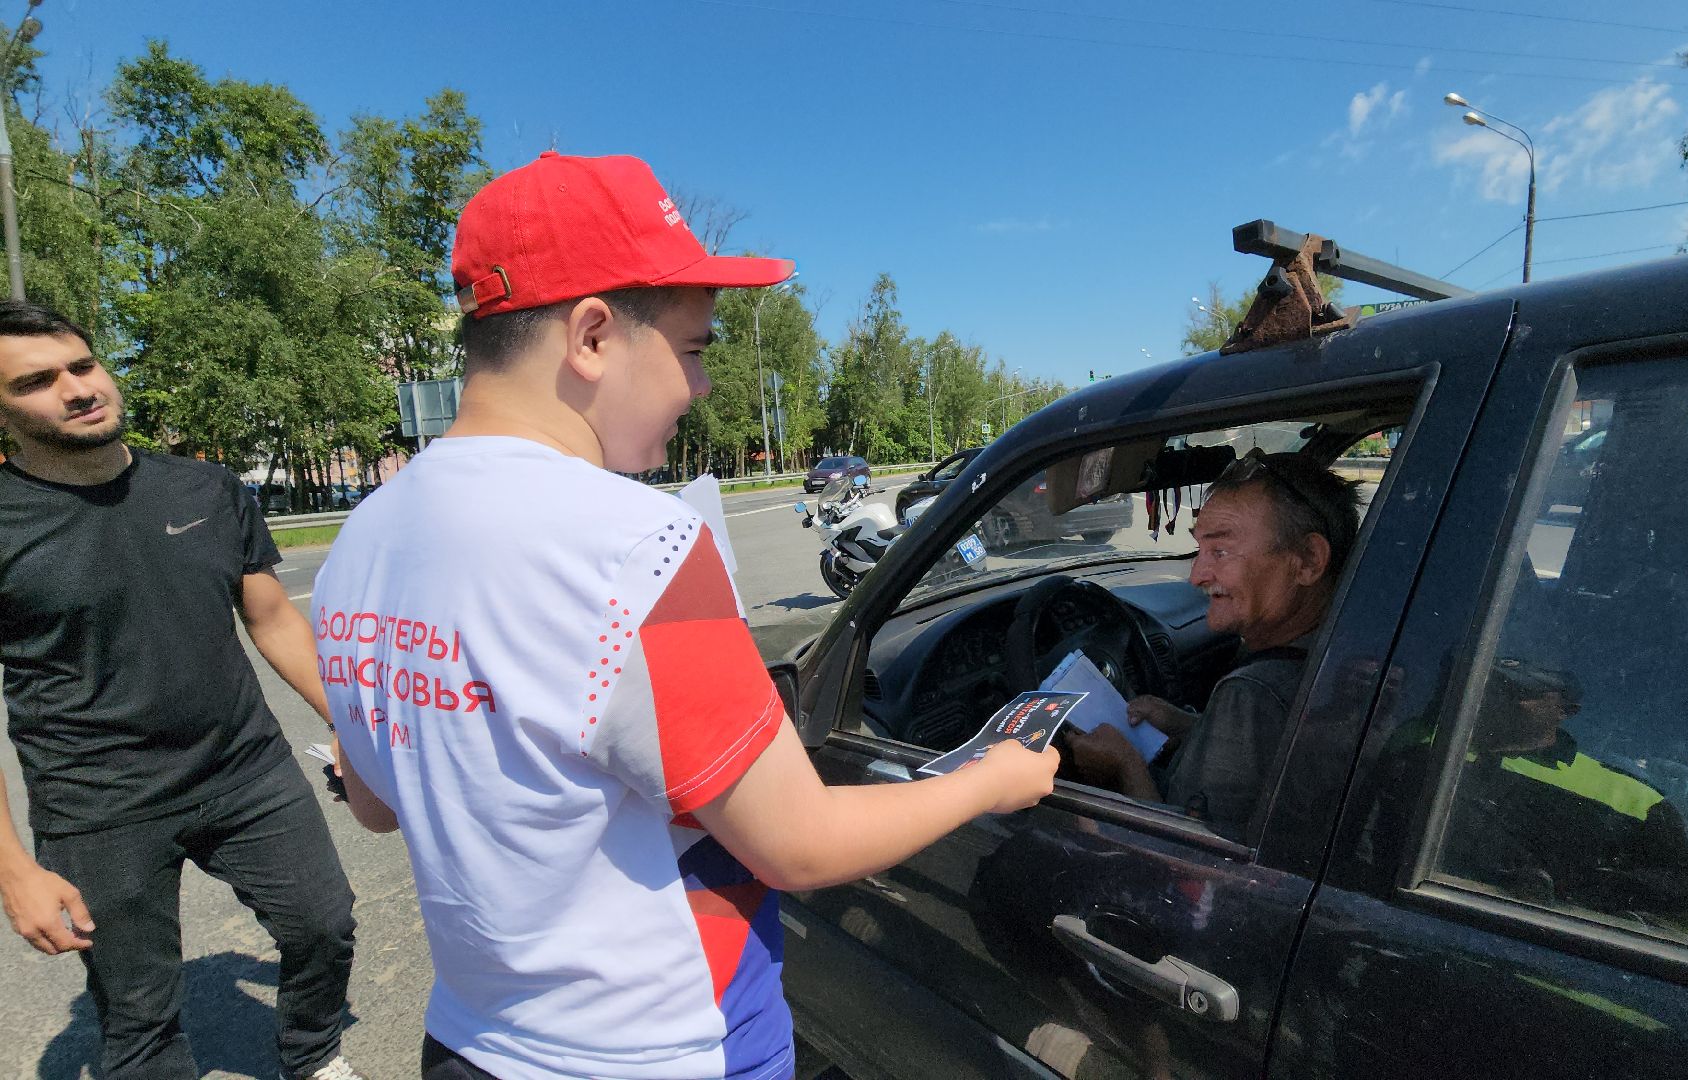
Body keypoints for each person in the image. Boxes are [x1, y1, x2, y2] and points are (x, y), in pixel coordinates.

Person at [311, 151, 1058, 1080]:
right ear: (591, 336)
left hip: (471, 1039)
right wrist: (990, 781)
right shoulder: (633, 542)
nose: (700, 389)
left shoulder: (359, 543)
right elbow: (798, 843)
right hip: (659, 1046)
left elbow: (380, 804)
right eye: (694, 350)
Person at [0, 301, 362, 1080]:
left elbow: (272, 618)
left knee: (322, 926)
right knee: (140, 1018)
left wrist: (351, 727)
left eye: (82, 365)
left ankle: (313, 1056)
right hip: (98, 803)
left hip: (245, 769)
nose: (75, 389)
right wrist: (13, 869)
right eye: (37, 382)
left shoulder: (205, 487)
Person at [1066, 449, 1359, 841]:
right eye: (1200, 550)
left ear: (1308, 560)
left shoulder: (1253, 696)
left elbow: (1186, 866)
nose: (1197, 576)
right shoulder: (1342, 649)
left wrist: (1124, 764)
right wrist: (1193, 727)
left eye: (1219, 552)